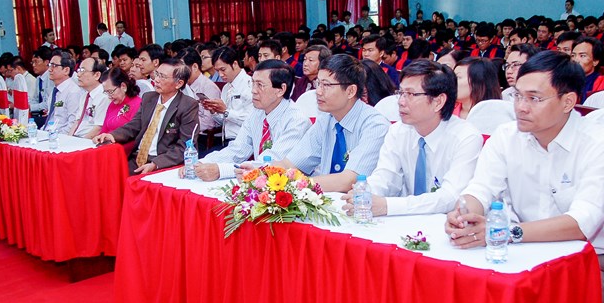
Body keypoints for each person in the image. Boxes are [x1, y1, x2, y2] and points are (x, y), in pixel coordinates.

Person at [445, 51, 604, 303]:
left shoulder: (601, 144)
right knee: (462, 294)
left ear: (568, 101)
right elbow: (481, 187)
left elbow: (581, 223)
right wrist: (464, 213)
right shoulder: (506, 135)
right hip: (522, 252)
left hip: (590, 261)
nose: (520, 106)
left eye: (534, 98)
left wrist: (504, 233)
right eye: (518, 95)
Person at [343, 59, 482, 217]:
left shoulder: (466, 137)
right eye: (401, 93)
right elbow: (386, 177)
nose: (401, 102)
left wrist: (387, 206)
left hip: (444, 223)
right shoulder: (398, 131)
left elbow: (450, 197)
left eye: (410, 94)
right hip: (404, 220)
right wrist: (364, 193)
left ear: (438, 102)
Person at [275, 54, 389, 193]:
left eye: (327, 85)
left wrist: (297, 184)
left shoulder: (375, 125)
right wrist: (262, 176)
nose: (318, 91)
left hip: (359, 202)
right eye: (318, 83)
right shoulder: (326, 119)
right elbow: (290, 164)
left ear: (351, 91)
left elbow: (349, 181)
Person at [186, 60, 310, 181]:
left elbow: (272, 163)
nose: (253, 90)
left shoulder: (297, 121)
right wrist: (201, 163)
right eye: (253, 83)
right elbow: (238, 149)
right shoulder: (257, 113)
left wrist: (221, 170)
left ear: (281, 90)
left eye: (260, 85)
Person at [93, 58, 199, 175]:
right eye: (157, 74)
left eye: (162, 77)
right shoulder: (149, 98)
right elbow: (134, 125)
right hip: (137, 158)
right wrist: (112, 135)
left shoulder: (188, 106)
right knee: (104, 175)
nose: (156, 79)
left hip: (162, 162)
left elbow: (185, 145)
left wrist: (156, 164)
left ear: (179, 83)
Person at [201, 47, 253, 145]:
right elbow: (224, 121)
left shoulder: (250, 85)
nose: (220, 74)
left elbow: (252, 121)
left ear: (235, 64)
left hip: (246, 141)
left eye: (223, 69)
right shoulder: (226, 87)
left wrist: (226, 111)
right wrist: (214, 111)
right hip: (227, 140)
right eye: (217, 71)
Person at [175, 47, 222, 153]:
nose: (179, 73)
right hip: (185, 134)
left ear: (195, 67)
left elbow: (209, 123)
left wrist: (184, 125)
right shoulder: (182, 86)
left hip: (204, 137)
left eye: (182, 68)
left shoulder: (208, 87)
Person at [43, 50, 84, 133]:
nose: (49, 70)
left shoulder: (73, 92)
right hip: (49, 132)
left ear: (66, 70)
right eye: (50, 65)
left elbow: (72, 124)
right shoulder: (55, 90)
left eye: (54, 66)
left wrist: (55, 136)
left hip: (60, 136)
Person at [99, 67, 142, 148]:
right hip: (107, 147)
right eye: (106, 92)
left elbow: (134, 136)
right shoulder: (113, 104)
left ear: (123, 86)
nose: (109, 96)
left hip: (122, 149)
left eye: (110, 91)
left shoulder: (138, 104)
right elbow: (104, 130)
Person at [72, 57, 110, 138]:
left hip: (88, 140)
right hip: (76, 138)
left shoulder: (104, 96)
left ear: (97, 75)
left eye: (83, 71)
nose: (78, 75)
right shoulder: (85, 95)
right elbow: (77, 122)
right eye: (79, 70)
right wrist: (68, 139)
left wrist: (79, 143)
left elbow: (98, 128)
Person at [571, 36, 604, 102]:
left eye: (582, 56)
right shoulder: (562, 80)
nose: (575, 60)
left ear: (595, 61)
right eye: (573, 55)